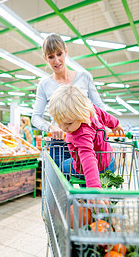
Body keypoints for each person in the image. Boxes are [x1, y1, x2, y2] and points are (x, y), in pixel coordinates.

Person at [31, 33, 105, 167]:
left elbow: (99, 107)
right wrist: (50, 127)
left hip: (85, 140)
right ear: (45, 58)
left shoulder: (84, 77)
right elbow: (35, 117)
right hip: (60, 143)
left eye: (59, 54)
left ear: (66, 52)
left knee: (86, 183)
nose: (56, 60)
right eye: (51, 57)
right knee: (60, 185)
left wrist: (102, 127)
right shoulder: (44, 84)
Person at [49, 84, 124, 189]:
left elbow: (88, 158)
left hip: (93, 168)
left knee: (61, 167)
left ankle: (68, 197)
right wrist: (115, 124)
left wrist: (94, 188)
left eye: (69, 123)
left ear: (80, 115)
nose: (63, 128)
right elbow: (105, 116)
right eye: (59, 123)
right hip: (109, 162)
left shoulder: (81, 134)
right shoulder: (90, 109)